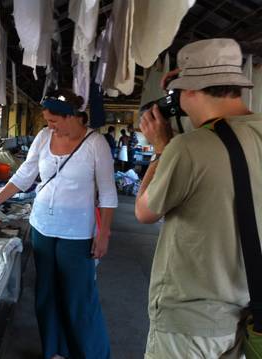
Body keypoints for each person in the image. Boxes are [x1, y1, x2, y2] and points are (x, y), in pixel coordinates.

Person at [135, 38, 260, 358]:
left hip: (190, 325)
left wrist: (162, 148)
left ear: (189, 91)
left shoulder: (189, 147)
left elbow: (144, 212)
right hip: (248, 313)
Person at [0, 89, 117, 359]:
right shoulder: (44, 138)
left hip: (77, 233)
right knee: (46, 294)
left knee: (79, 299)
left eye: (54, 120)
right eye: (47, 121)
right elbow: (24, 175)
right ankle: (54, 351)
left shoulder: (95, 143)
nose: (49, 126)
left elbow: (108, 192)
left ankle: (91, 354)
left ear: (72, 116)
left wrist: (103, 234)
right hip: (42, 226)